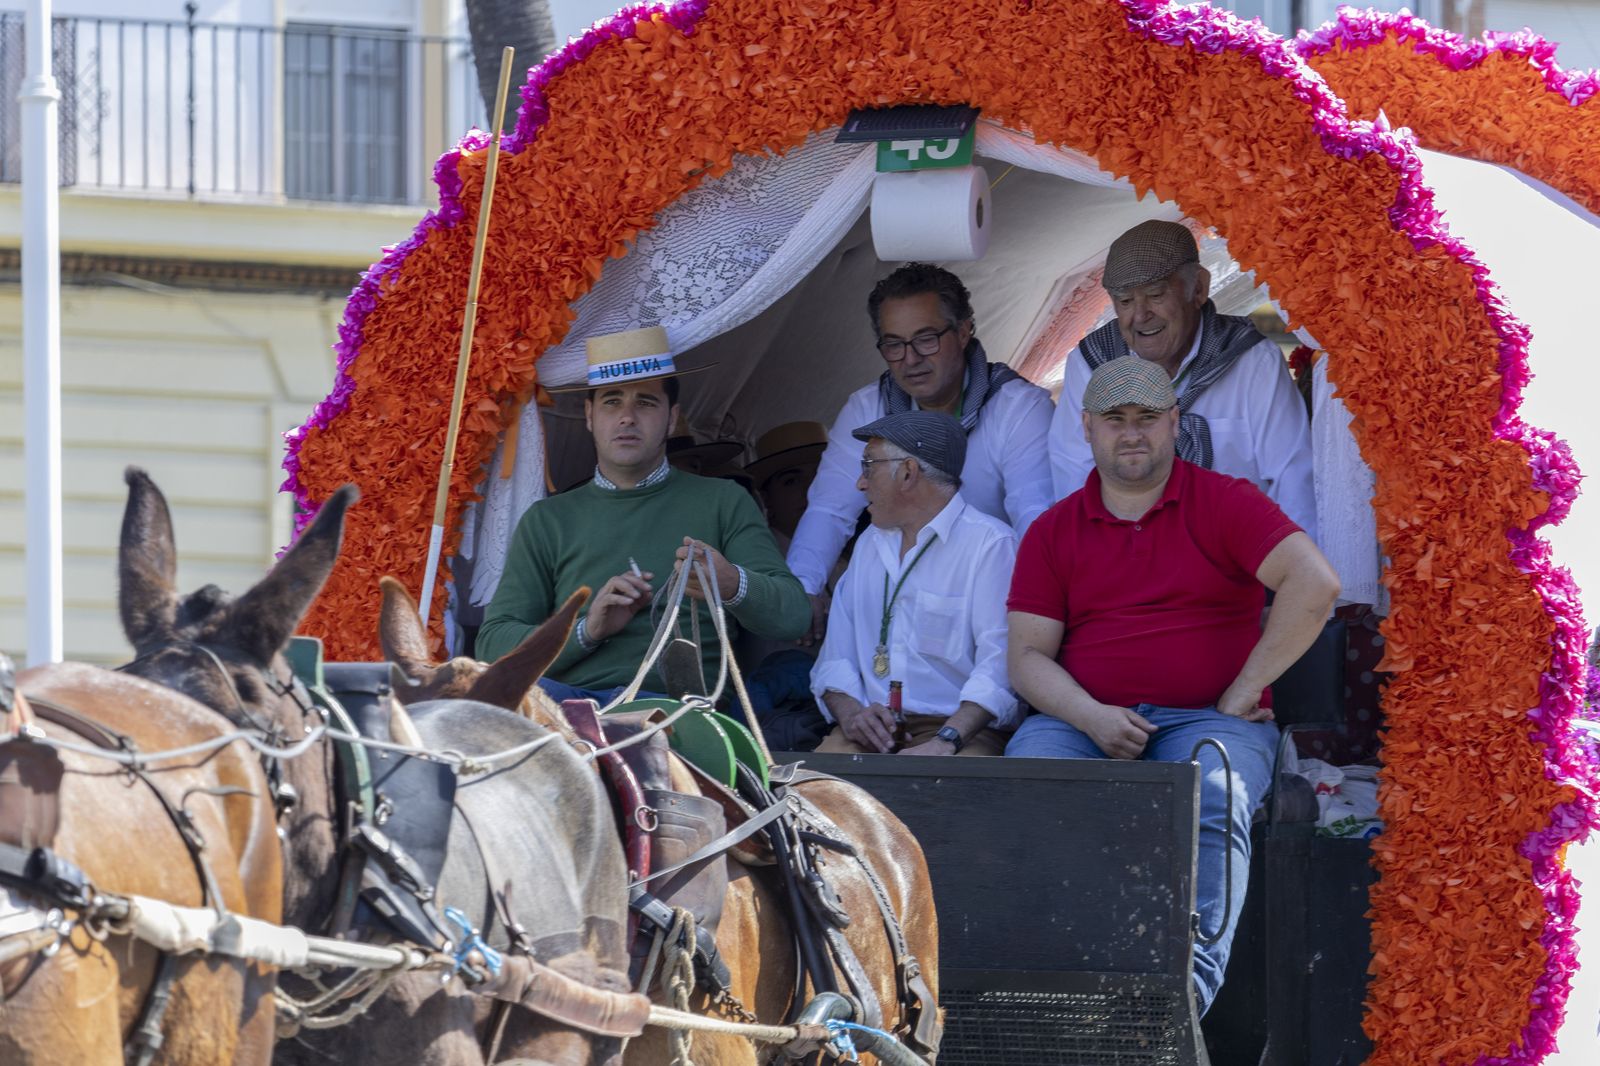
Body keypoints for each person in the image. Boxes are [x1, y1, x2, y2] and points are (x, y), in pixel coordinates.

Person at [1007, 356, 1340, 1014]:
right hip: (1081, 721)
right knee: (1029, 786)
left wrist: (1248, 687)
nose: (1132, 434)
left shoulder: (1227, 501)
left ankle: (1180, 1001)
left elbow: (1316, 583)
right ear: (1087, 429)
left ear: (1174, 424)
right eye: (1115, 419)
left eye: (1147, 419)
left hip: (1209, 719)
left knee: (1213, 796)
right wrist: (1093, 717)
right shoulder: (1052, 531)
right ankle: (1049, 986)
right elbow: (1026, 660)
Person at [477, 325, 810, 703]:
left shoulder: (724, 500)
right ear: (589, 415)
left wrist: (731, 583)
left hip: (687, 713)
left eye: (646, 402)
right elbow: (491, 647)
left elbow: (793, 616)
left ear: (672, 418)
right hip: (571, 711)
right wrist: (589, 628)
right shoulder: (547, 520)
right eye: (611, 401)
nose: (627, 417)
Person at [787, 263, 1055, 643]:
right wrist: (802, 590)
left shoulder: (1019, 408)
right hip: (898, 607)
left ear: (963, 332)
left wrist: (1028, 624)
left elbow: (1036, 520)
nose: (910, 359)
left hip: (998, 603)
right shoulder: (866, 408)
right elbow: (829, 511)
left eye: (926, 339)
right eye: (894, 344)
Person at [1047, 219, 1317, 540]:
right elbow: (1073, 479)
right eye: (1125, 301)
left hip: (1241, 565)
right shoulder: (1092, 363)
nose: (1141, 315)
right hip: (1127, 561)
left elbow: (1294, 479)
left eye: (1155, 294)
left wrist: (1290, 578)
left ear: (1198, 288)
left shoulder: (1250, 359)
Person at [811, 411, 1020, 757]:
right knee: (814, 796)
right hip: (873, 725)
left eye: (868, 466)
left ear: (907, 472)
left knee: (945, 800)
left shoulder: (990, 546)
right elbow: (834, 659)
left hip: (962, 731)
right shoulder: (869, 544)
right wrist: (852, 717)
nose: (860, 484)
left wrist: (947, 740)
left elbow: (1001, 668)